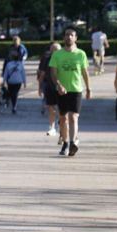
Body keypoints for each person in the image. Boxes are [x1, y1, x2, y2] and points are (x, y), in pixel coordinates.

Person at [49, 27, 91, 157]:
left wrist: (89, 88)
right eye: (67, 35)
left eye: (71, 35)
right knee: (63, 118)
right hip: (62, 91)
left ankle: (73, 143)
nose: (69, 37)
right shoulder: (57, 54)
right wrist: (59, 85)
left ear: (75, 38)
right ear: (64, 38)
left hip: (76, 89)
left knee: (73, 117)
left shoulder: (81, 54)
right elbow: (53, 73)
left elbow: (85, 72)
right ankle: (65, 142)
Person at [37, 43, 62, 141]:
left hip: (61, 87)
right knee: (51, 107)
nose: (54, 51)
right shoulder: (46, 59)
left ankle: (61, 129)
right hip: (49, 86)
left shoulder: (63, 59)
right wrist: (39, 87)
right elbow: (42, 74)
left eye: (56, 49)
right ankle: (52, 127)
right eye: (53, 50)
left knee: (61, 109)